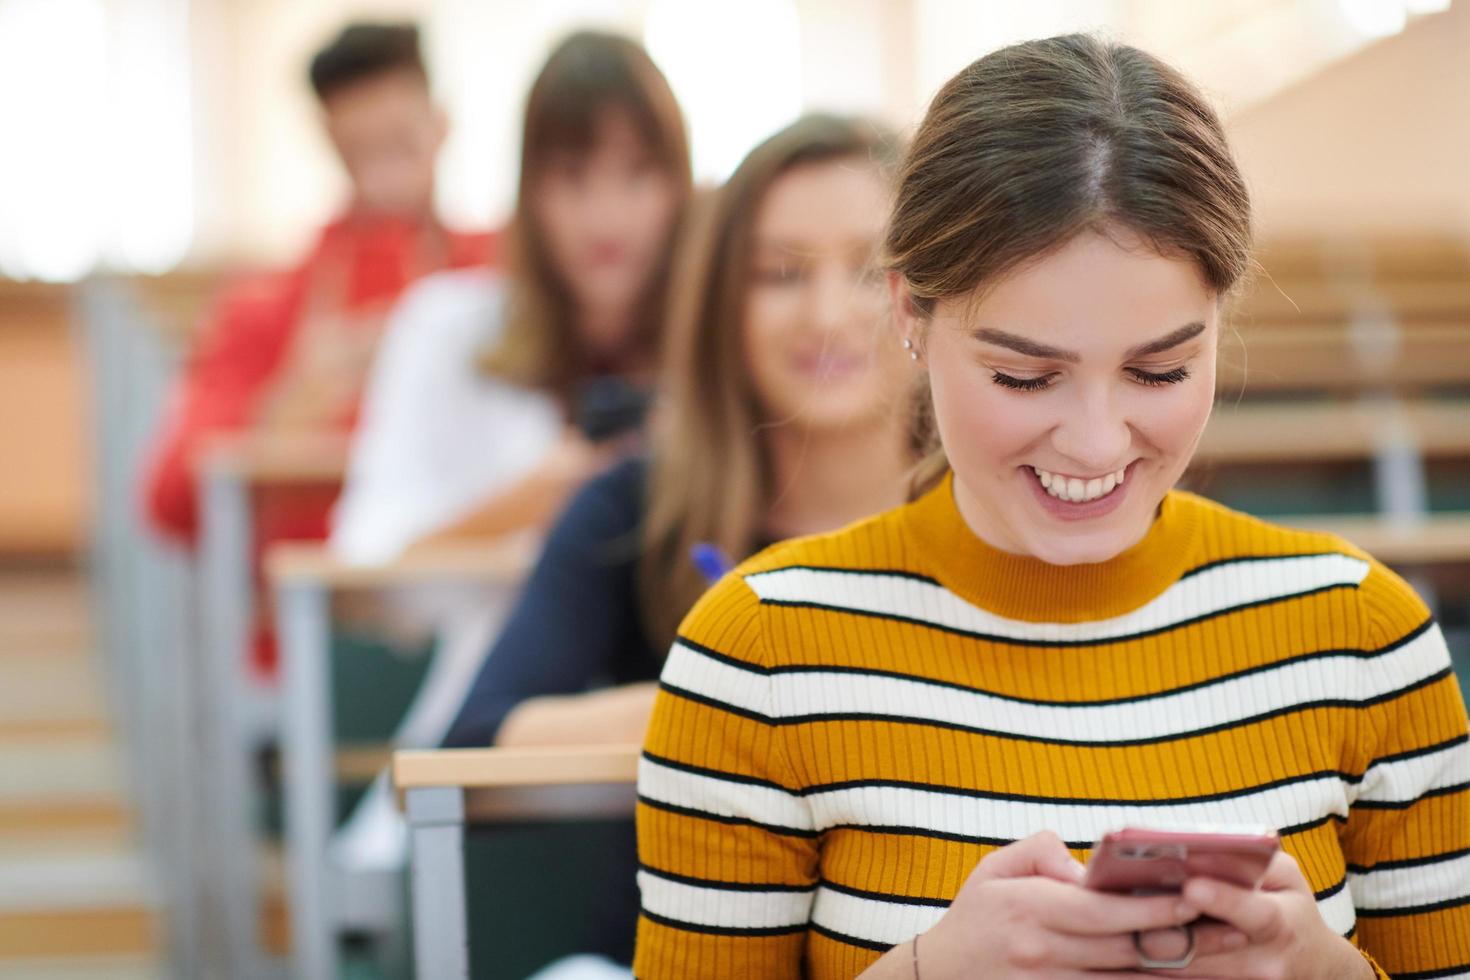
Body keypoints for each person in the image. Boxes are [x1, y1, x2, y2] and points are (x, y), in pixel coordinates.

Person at [633, 35, 1470, 980]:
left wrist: (1323, 969)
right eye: (1024, 376)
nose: (1097, 442)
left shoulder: (1363, 639)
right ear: (908, 313)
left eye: (1160, 369)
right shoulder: (758, 654)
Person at [442, 113, 915, 974]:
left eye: (872, 269)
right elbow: (471, 756)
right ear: (719, 301)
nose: (828, 313)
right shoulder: (631, 510)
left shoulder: (1005, 514)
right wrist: (731, 690)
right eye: (779, 273)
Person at [328, 30, 689, 565]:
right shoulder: (444, 327)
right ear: (531, 191)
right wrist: (526, 504)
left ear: (679, 186)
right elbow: (361, 574)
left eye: (636, 176)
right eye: (573, 178)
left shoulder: (725, 339)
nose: (606, 215)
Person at [143, 21, 493, 546]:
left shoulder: (502, 279)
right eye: (364, 152)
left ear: (440, 124)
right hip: (312, 610)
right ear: (332, 144)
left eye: (401, 144)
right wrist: (282, 408)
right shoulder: (268, 307)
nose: (387, 177)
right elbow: (170, 499)